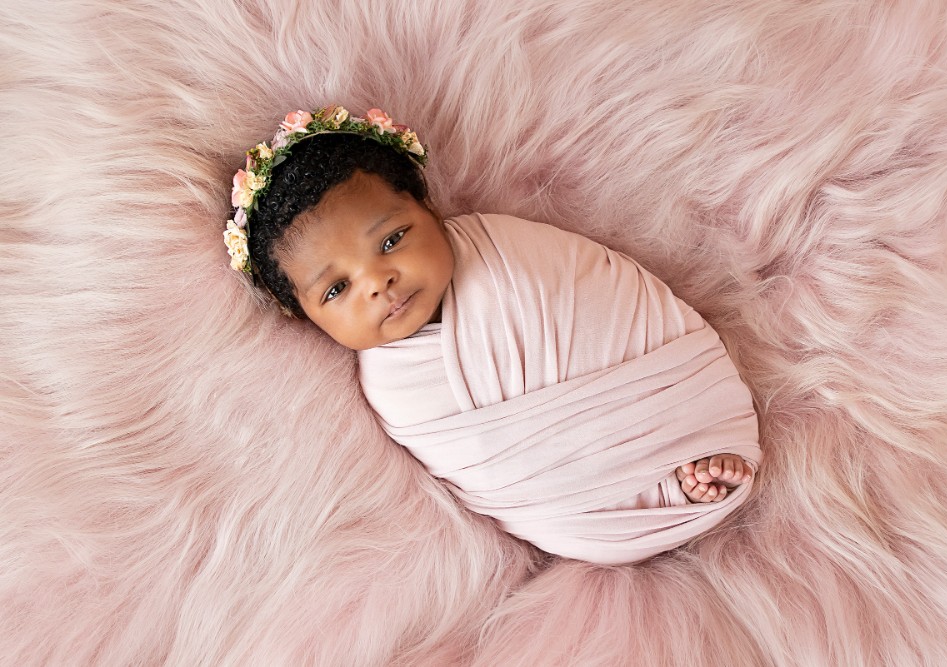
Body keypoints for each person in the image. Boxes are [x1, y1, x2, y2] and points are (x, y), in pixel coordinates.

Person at [223, 105, 761, 564]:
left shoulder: (509, 254)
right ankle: (655, 488)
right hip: (571, 509)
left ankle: (688, 455)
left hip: (676, 401)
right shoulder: (396, 389)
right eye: (336, 290)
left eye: (390, 241)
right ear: (306, 317)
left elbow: (608, 300)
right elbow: (490, 466)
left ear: (429, 208)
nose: (377, 283)